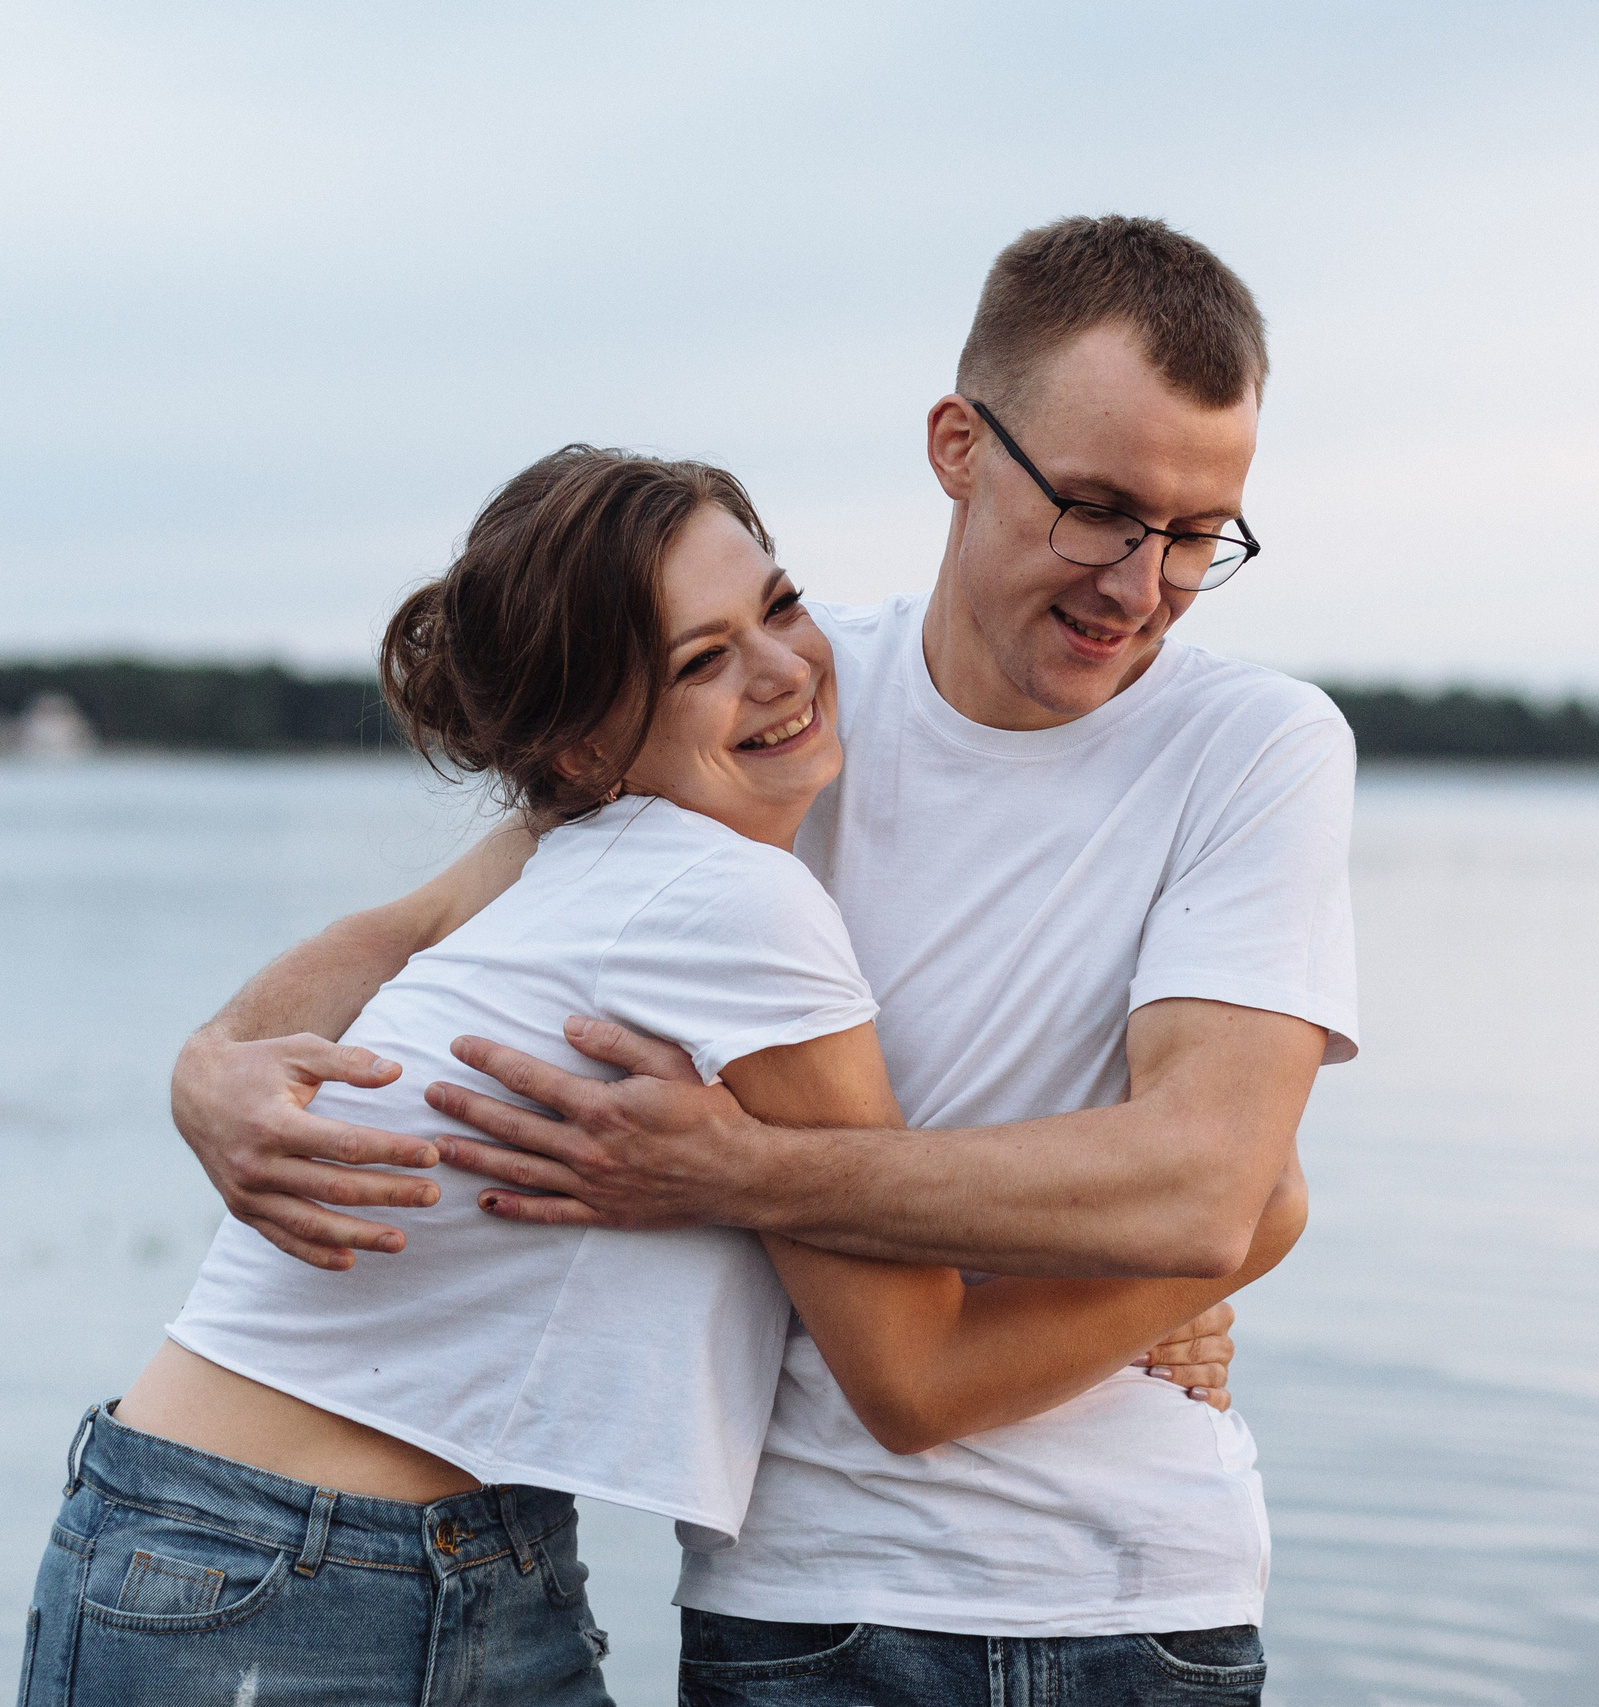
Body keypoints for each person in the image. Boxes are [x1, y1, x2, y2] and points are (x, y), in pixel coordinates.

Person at [160, 216, 1356, 1704]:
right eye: (1100, 511)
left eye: (1197, 535)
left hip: (1143, 1598)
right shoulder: (777, 708)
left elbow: (1205, 1185)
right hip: (802, 1602)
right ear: (959, 447)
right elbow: (421, 926)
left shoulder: (1255, 747)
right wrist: (210, 1070)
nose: (1140, 583)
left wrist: (734, 1173)